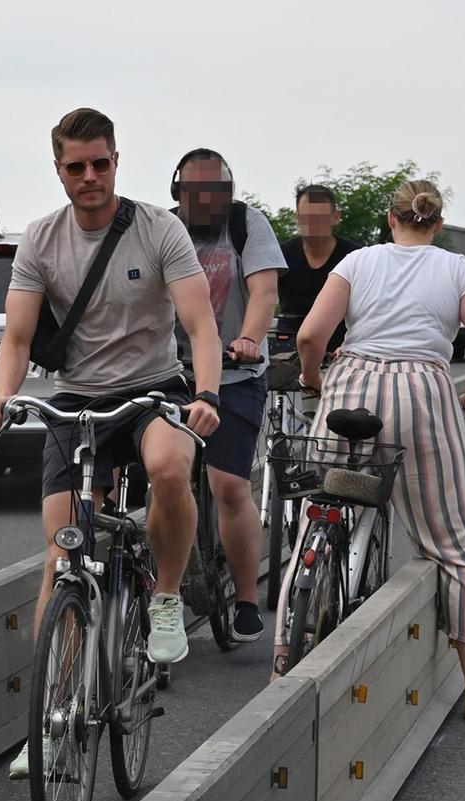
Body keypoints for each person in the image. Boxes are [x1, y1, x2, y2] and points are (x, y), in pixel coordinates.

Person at [0, 108, 224, 779]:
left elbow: (200, 324)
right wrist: (2, 395)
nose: (89, 177)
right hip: (77, 399)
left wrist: (205, 395)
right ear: (57, 170)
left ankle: (166, 596)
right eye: (74, 167)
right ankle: (51, 719)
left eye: (100, 164)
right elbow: (18, 340)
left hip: (152, 390)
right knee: (60, 559)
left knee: (170, 470)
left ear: (116, 162)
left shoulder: (157, 229)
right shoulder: (41, 239)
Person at [294, 180, 465, 721]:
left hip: (349, 386)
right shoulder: (456, 268)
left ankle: (292, 629)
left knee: (319, 507)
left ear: (389, 219)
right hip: (421, 393)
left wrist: (312, 379)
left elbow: (311, 337)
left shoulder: (357, 261)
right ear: (437, 224)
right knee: (457, 545)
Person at [171, 148, 286, 642]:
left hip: (236, 375)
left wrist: (250, 340)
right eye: (195, 192)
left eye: (217, 192)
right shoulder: (163, 228)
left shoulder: (246, 225)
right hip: (171, 375)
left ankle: (243, 597)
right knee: (166, 480)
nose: (207, 202)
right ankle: (164, 593)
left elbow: (263, 292)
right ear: (177, 193)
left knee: (229, 487)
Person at [278, 183, 363, 354]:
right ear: (297, 216)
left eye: (320, 218)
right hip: (286, 347)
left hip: (340, 347)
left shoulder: (355, 257)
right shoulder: (280, 255)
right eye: (307, 217)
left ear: (336, 217)